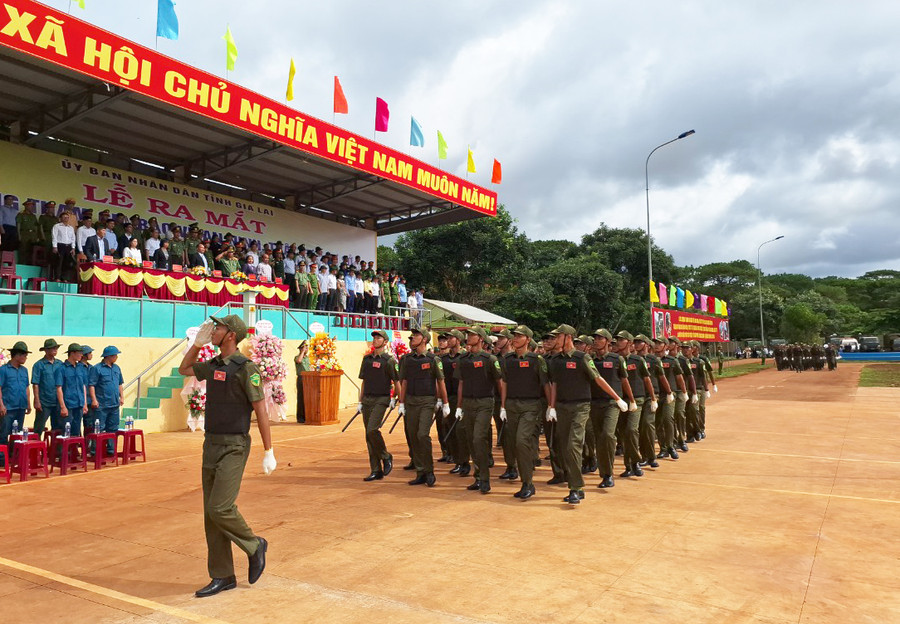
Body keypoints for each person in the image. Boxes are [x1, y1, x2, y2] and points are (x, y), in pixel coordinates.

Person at [178, 315, 274, 598]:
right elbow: (185, 368)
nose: (214, 330)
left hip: (234, 444)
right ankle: (223, 575)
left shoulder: (246, 368)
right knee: (211, 514)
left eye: (218, 328)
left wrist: (269, 451)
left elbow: (260, 410)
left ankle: (255, 545)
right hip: (212, 443)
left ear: (231, 335)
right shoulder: (216, 364)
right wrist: (197, 344)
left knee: (221, 507)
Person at [548, 325, 626, 504]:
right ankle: (577, 486)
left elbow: (598, 378)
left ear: (567, 337)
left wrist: (617, 398)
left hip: (580, 407)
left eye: (557, 336)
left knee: (573, 445)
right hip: (562, 407)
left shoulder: (582, 358)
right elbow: (554, 385)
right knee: (564, 446)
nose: (554, 340)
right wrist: (551, 406)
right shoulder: (555, 361)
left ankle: (576, 487)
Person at [501, 325, 550, 500]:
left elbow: (546, 384)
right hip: (512, 405)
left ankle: (528, 482)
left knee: (522, 441)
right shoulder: (507, 359)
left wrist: (551, 406)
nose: (515, 338)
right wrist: (503, 406)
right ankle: (525, 482)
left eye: (519, 336)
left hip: (531, 405)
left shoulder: (537, 360)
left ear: (528, 340)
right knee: (515, 443)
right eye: (514, 335)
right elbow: (504, 382)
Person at [454, 326, 503, 494]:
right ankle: (478, 476)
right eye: (468, 334)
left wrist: (503, 405)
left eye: (473, 335)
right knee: (470, 440)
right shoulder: (463, 359)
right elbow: (461, 383)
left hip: (484, 402)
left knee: (478, 438)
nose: (469, 337)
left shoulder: (489, 359)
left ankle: (485, 478)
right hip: (468, 403)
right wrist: (459, 407)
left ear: (481, 339)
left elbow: (499, 382)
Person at [398, 328, 449, 487]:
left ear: (425, 340)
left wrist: (445, 402)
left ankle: (429, 470)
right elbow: (404, 382)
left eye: (417, 335)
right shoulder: (407, 359)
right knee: (413, 435)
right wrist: (401, 402)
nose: (413, 337)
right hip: (411, 401)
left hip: (427, 401)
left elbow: (440, 381)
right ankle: (420, 472)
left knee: (422, 435)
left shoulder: (434, 360)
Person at [590, 329, 633, 489]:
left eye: (599, 338)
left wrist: (631, 400)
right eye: (595, 338)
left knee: (607, 435)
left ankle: (608, 474)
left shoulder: (617, 359)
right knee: (599, 439)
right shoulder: (590, 360)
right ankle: (605, 472)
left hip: (612, 404)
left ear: (608, 341)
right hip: (594, 403)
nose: (596, 340)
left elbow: (624, 380)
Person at [357, 330, 400, 481]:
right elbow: (363, 381)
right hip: (367, 398)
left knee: (372, 429)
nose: (375, 340)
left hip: (381, 399)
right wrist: (360, 401)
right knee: (368, 435)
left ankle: (386, 456)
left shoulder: (389, 361)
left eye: (378, 338)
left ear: (385, 342)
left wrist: (397, 398)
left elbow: (397, 381)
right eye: (374, 338)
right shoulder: (367, 359)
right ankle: (376, 469)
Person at [88, 346, 124, 457]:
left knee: (113, 428)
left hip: (114, 404)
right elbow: (92, 385)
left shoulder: (117, 368)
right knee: (99, 429)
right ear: (108, 356)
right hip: (101, 405)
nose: (116, 357)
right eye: (115, 355)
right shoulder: (97, 368)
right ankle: (95, 452)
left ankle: (111, 450)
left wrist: (121, 397)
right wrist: (94, 399)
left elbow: (119, 384)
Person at [0, 341, 31, 450]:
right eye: (24, 355)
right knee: (3, 434)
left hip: (21, 407)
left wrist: (28, 403)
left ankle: (14, 457)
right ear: (17, 355)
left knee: (17, 435)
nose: (26, 358)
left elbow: (27, 387)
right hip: (8, 408)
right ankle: (2, 459)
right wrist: (1, 405)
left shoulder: (24, 370)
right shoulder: (3, 370)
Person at [31, 338, 63, 433]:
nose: (55, 350)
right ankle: (36, 446)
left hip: (57, 401)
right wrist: (37, 400)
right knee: (39, 427)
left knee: (58, 428)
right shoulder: (38, 365)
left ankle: (57, 448)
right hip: (44, 402)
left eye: (56, 348)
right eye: (52, 348)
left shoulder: (60, 364)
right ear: (46, 350)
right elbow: (35, 384)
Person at [55, 343, 88, 436]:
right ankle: (65, 450)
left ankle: (74, 449)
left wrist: (84, 403)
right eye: (79, 353)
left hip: (79, 404)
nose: (82, 355)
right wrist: (62, 407)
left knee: (76, 430)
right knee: (66, 431)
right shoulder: (61, 369)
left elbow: (83, 386)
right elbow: (59, 388)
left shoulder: (80, 368)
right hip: (68, 405)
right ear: (72, 353)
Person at [50, 211, 76, 282]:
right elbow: (54, 236)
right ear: (60, 218)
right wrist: (54, 246)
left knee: (67, 263)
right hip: (60, 245)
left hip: (68, 246)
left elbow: (73, 238)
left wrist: (73, 248)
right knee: (59, 262)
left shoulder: (71, 228)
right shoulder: (57, 226)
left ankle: (65, 278)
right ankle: (57, 277)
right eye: (64, 217)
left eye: (67, 217)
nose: (66, 219)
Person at [294, 342, 310, 423]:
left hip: (309, 378)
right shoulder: (297, 357)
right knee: (301, 398)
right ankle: (300, 417)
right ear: (300, 349)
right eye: (304, 348)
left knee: (308, 398)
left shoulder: (307, 358)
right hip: (301, 378)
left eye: (307, 348)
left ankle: (307, 416)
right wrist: (302, 352)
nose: (306, 349)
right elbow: (299, 361)